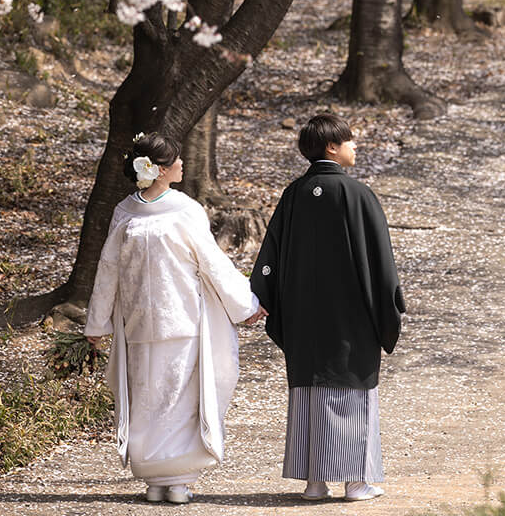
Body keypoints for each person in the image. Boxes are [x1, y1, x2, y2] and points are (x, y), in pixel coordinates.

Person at [85, 131, 265, 505]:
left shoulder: (185, 208)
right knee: (148, 398)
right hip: (140, 324)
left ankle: (177, 479)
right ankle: (156, 478)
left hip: (180, 319)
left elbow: (212, 263)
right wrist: (97, 324)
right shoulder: (126, 211)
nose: (183, 164)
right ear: (160, 169)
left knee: (178, 400)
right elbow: (108, 269)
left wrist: (245, 304)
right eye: (177, 160)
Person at [251, 113, 405, 503]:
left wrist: (263, 294)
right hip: (350, 315)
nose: (356, 146)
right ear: (331, 148)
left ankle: (314, 482)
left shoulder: (293, 195)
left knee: (309, 389)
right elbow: (381, 261)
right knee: (351, 387)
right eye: (350, 141)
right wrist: (391, 299)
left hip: (304, 314)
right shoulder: (358, 195)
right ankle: (356, 481)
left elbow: (270, 256)